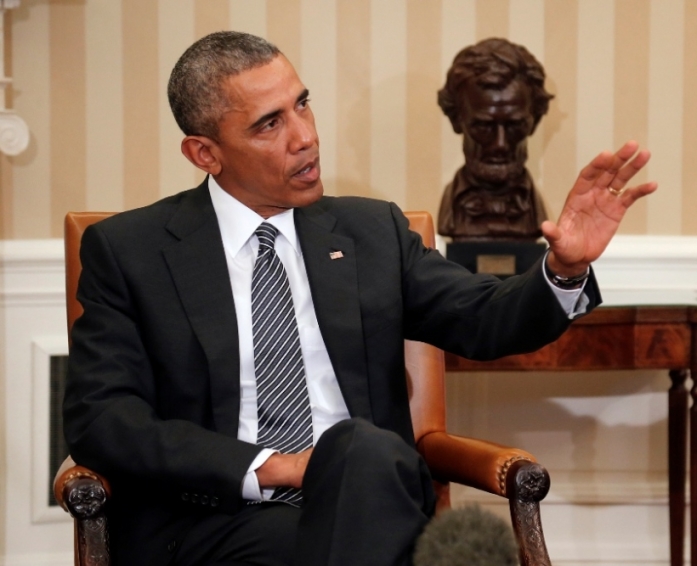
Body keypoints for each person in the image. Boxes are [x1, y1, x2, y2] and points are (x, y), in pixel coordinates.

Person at [63, 31, 656, 566]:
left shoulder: (371, 233)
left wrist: (563, 266)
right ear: (205, 154)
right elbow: (104, 419)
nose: (306, 136)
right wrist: (278, 468)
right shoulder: (130, 251)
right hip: (211, 520)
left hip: (368, 495)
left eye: (303, 103)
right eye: (269, 124)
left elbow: (486, 319)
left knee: (358, 450)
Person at [437, 38, 552, 240]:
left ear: (535, 120)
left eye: (514, 126)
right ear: (456, 119)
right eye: (483, 126)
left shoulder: (533, 211)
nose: (500, 144)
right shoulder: (451, 212)